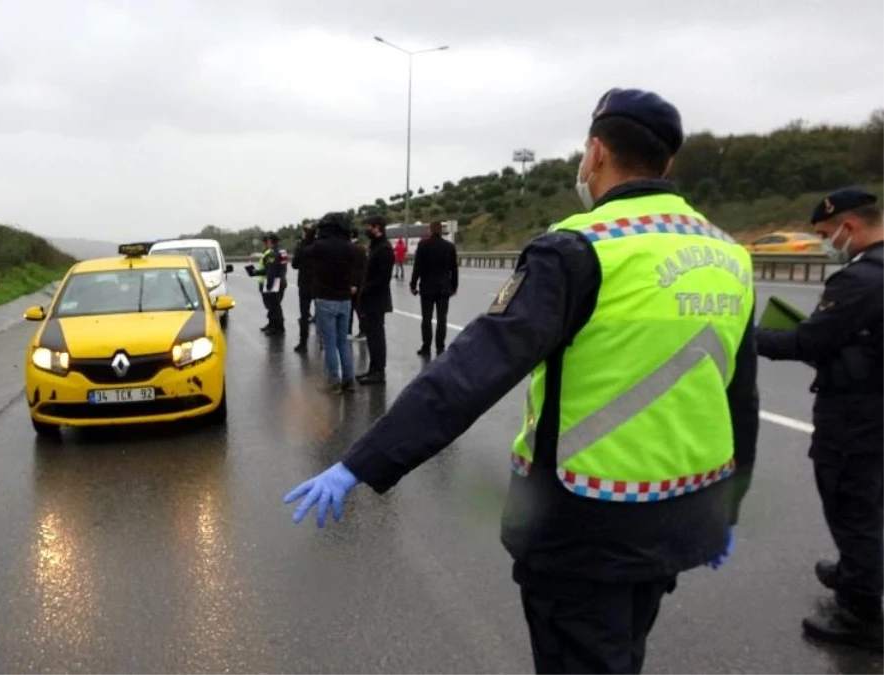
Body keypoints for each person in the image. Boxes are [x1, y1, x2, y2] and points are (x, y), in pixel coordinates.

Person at [283, 87, 760, 674]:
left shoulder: (582, 250)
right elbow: (740, 395)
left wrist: (360, 461)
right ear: (668, 164)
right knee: (623, 652)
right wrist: (726, 506)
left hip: (584, 522)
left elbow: (469, 374)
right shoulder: (727, 254)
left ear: (597, 151)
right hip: (680, 512)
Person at [757, 186, 884, 651]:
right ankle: (855, 573)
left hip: (857, 415)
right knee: (870, 501)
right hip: (874, 409)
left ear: (849, 227)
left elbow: (809, 342)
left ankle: (863, 612)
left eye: (826, 233)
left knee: (851, 506)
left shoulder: (860, 279)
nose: (825, 242)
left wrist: (748, 337)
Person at [310, 212, 361, 392]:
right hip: (345, 299)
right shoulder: (350, 248)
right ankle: (349, 379)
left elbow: (301, 258)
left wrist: (308, 235)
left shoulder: (320, 246)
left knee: (329, 343)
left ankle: (334, 381)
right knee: (343, 342)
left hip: (325, 299)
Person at [356, 214, 395, 385]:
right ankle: (373, 369)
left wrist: (366, 289)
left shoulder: (384, 248)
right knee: (372, 337)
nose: (367, 229)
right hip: (370, 299)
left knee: (377, 337)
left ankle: (378, 372)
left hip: (376, 300)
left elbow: (383, 278)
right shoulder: (376, 246)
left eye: (369, 226)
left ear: (378, 227)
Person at [409, 221, 458, 356]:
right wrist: (454, 286)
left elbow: (417, 267)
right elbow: (454, 269)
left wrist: (413, 285)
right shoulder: (449, 247)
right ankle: (440, 346)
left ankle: (426, 346)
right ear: (441, 231)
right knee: (442, 318)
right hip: (443, 288)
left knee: (426, 319)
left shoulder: (423, 245)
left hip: (427, 288)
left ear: (430, 231)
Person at [246, 233, 287, 335]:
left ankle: (276, 328)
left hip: (275, 282)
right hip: (281, 281)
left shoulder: (272, 254)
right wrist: (256, 272)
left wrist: (269, 285)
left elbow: (271, 271)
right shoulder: (282, 252)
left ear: (270, 242)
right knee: (276, 306)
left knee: (274, 307)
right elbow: (272, 269)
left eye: (268, 241)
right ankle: (277, 326)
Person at [291, 222, 318, 353]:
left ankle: (303, 343)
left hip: (305, 283)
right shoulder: (319, 245)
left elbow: (294, 264)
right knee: (321, 314)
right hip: (319, 282)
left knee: (304, 315)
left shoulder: (301, 246)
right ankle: (322, 342)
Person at [348, 228, 367, 340]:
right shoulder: (362, 247)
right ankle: (363, 331)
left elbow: (355, 268)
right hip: (361, 282)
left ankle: (353, 331)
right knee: (359, 308)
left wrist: (353, 284)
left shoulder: (354, 248)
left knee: (353, 308)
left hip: (356, 284)